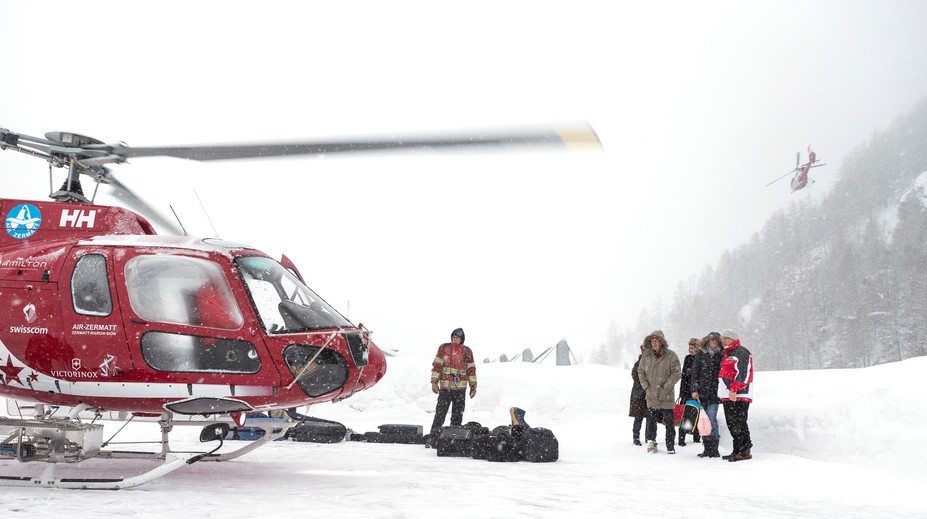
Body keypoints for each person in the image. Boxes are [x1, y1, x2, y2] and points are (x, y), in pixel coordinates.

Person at [426, 328, 477, 446]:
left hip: (460, 390)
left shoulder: (467, 351)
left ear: (462, 339)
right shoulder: (443, 348)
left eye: (457, 338)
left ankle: (454, 441)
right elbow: (437, 365)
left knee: (457, 416)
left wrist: (473, 386)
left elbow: (471, 369)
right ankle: (434, 439)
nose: (455, 339)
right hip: (445, 388)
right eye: (453, 337)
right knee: (440, 414)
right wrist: (434, 382)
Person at [638, 330, 681, 454]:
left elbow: (677, 373)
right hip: (651, 395)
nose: (654, 343)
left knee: (669, 423)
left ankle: (670, 447)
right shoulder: (646, 356)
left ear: (662, 342)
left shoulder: (671, 355)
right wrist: (646, 387)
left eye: (657, 340)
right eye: (652, 340)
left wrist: (666, 387)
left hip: (666, 396)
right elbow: (640, 371)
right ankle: (652, 447)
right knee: (651, 423)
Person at [718, 329, 754, 462]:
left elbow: (744, 372)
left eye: (726, 338)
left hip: (739, 394)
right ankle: (737, 450)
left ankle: (745, 451)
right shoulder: (727, 354)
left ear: (733, 339)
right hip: (728, 394)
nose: (723, 341)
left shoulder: (741, 352)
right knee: (732, 423)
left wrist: (734, 389)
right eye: (722, 339)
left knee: (739, 422)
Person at [691, 332, 723, 458]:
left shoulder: (722, 355)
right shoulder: (701, 353)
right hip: (702, 392)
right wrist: (694, 389)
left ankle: (714, 449)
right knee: (703, 420)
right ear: (708, 341)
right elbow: (695, 372)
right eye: (712, 340)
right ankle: (707, 448)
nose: (714, 342)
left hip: (715, 393)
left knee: (712, 418)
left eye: (716, 340)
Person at [678, 338, 700, 446]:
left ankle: (696, 437)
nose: (690, 350)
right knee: (686, 416)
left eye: (692, 348)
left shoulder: (700, 358)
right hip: (687, 391)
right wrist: (681, 392)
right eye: (689, 348)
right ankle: (681, 438)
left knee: (697, 415)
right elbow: (683, 376)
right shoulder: (687, 358)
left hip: (697, 391)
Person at [629, 343, 647, 446]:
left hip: (648, 394)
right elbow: (635, 376)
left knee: (650, 418)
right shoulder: (638, 363)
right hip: (639, 394)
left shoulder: (652, 362)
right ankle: (636, 437)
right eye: (644, 349)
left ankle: (649, 437)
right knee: (638, 417)